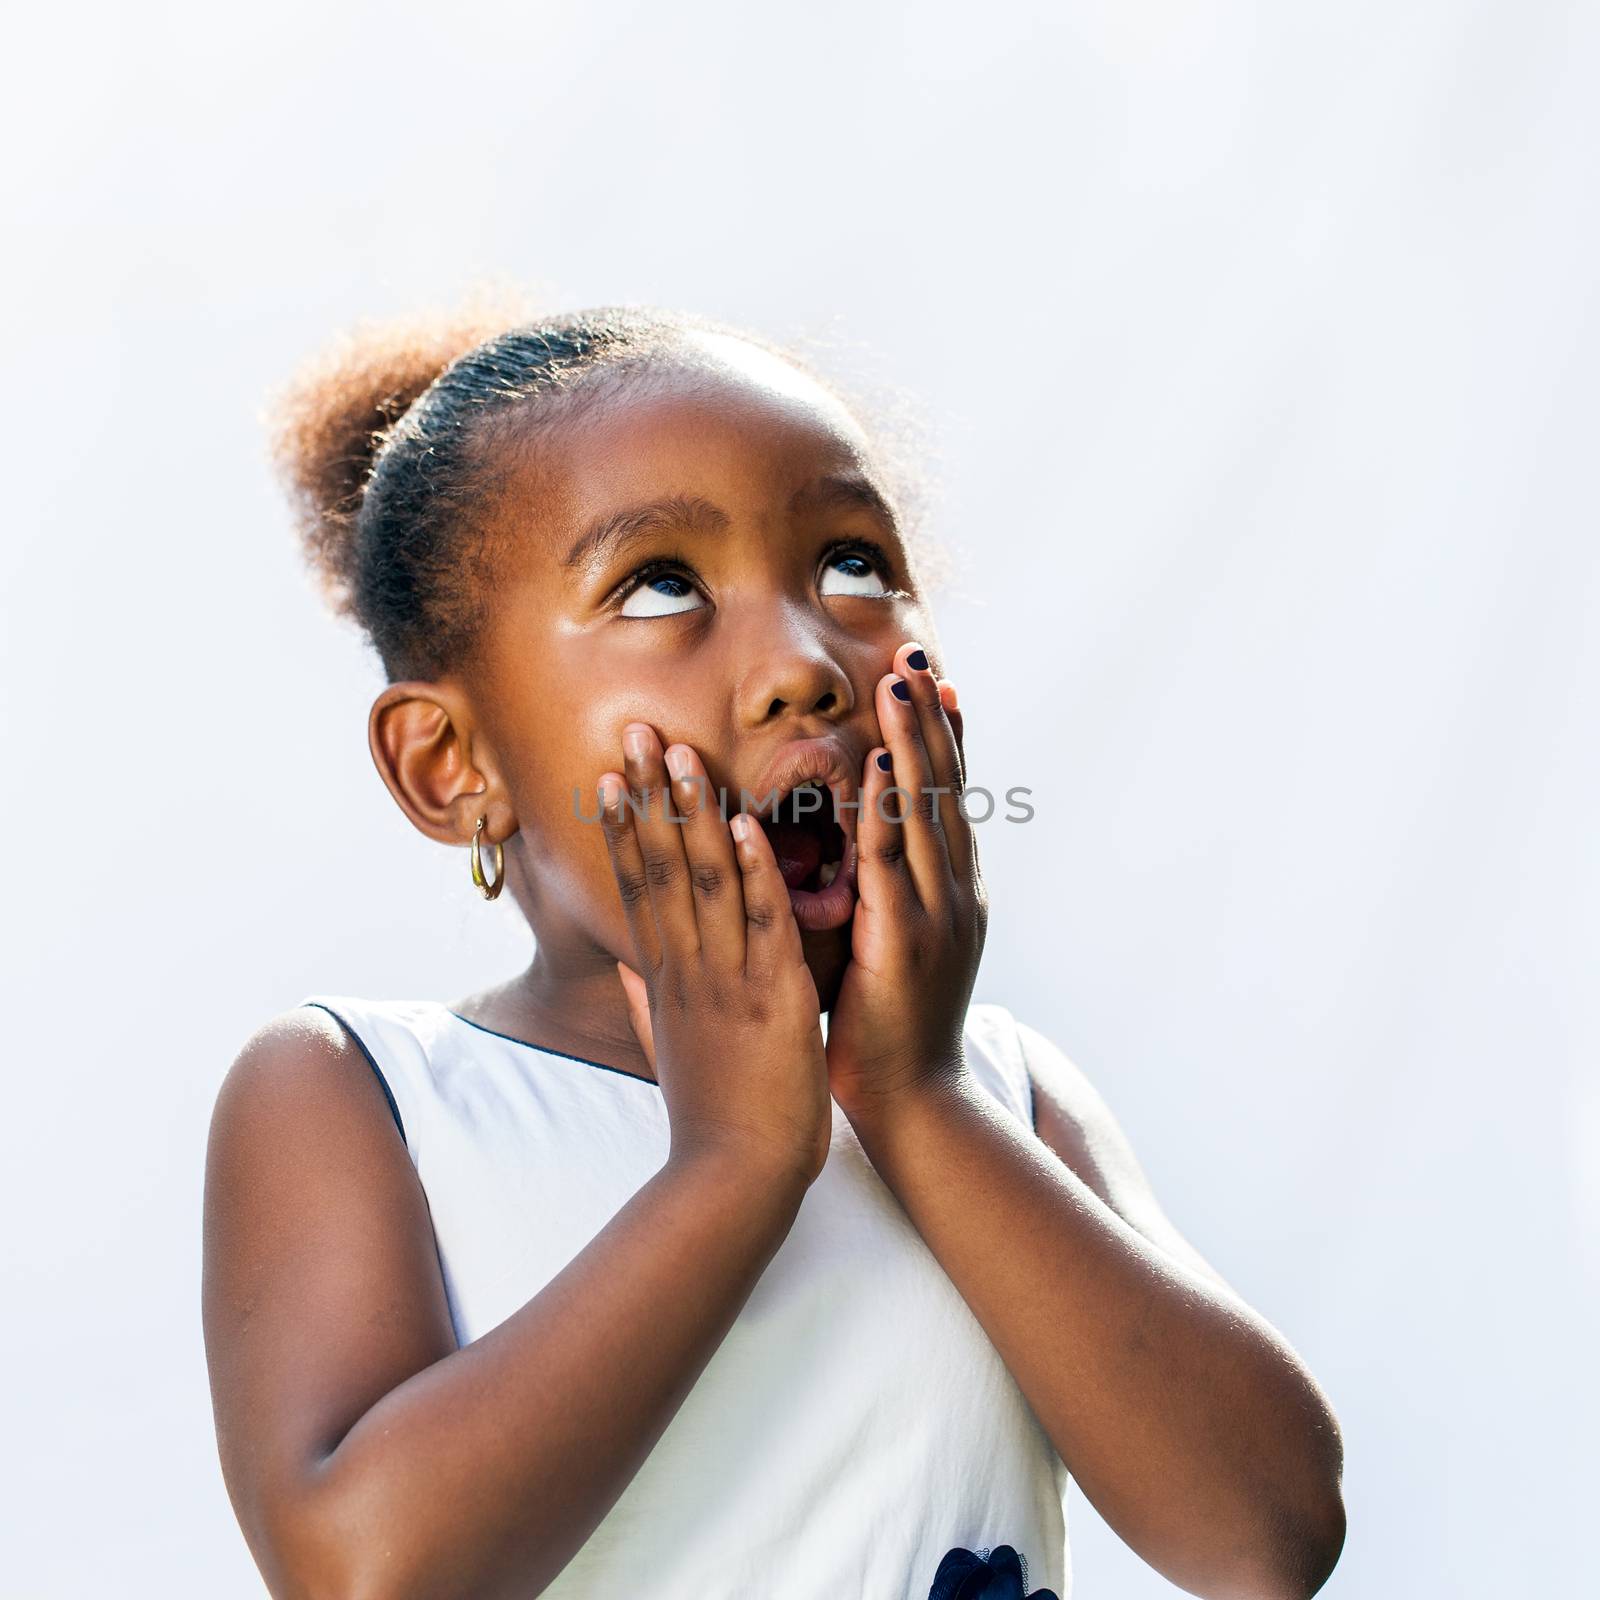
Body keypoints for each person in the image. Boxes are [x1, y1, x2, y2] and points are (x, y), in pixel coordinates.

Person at [201, 297, 1346, 1600]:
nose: (804, 665)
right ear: (453, 763)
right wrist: (733, 1163)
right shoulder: (360, 1092)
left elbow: (1267, 1537)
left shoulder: (998, 1092)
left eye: (852, 565)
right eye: (662, 584)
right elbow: (363, 1570)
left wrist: (915, 1101)